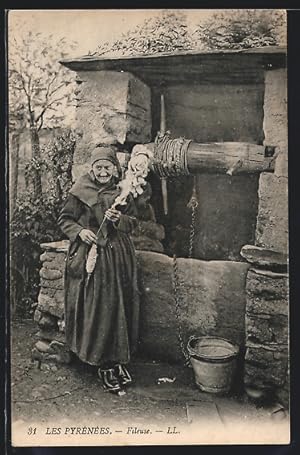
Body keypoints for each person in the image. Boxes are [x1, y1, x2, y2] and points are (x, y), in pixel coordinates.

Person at [58, 145, 140, 394]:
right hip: (91, 256)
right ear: (91, 168)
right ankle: (101, 360)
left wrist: (120, 220)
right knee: (99, 307)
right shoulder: (80, 191)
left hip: (119, 258)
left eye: (108, 167)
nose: (103, 171)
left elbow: (134, 222)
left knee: (119, 306)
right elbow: (65, 220)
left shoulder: (123, 191)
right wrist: (80, 232)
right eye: (98, 167)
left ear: (115, 169)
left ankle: (117, 359)